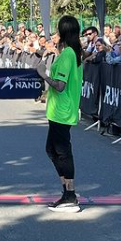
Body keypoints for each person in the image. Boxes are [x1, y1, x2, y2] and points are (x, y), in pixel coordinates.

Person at [36, 15, 83, 213]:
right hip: (57, 109)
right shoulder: (70, 52)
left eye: (57, 31)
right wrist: (47, 93)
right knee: (52, 150)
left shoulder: (68, 54)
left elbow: (61, 86)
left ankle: (70, 194)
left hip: (62, 111)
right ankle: (67, 190)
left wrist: (43, 74)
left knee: (62, 151)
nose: (54, 35)